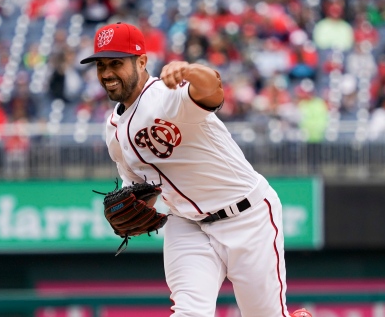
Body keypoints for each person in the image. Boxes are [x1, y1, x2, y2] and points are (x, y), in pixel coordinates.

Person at [80, 22, 312, 317]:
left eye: (116, 63)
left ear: (141, 62)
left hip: (247, 216)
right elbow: (141, 186)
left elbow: (213, 90)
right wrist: (136, 204)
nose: (107, 73)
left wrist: (189, 71)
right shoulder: (112, 131)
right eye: (101, 65)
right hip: (187, 224)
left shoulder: (166, 94)